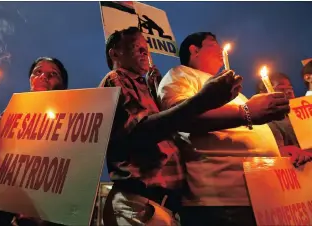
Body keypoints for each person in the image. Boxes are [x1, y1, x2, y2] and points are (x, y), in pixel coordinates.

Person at [157, 32, 311, 226]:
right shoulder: (180, 75)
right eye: (213, 43)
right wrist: (246, 112)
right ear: (194, 50)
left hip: (263, 196)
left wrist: (280, 153)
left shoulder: (229, 89)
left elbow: (243, 132)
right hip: (224, 200)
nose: (221, 49)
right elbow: (181, 117)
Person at [99, 27, 243, 226]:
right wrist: (202, 101)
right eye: (136, 47)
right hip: (141, 204)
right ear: (114, 53)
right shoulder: (118, 78)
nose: (145, 53)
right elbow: (141, 132)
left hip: (161, 205)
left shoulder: (147, 86)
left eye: (146, 49)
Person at [0, 56, 68, 226]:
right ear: (31, 80)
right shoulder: (9, 119)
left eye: (53, 74)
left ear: (63, 88)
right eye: (37, 71)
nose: (43, 76)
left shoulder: (70, 128)